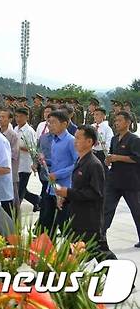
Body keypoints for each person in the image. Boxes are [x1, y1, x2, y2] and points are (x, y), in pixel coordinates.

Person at [55, 126, 116, 260]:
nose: (75, 141)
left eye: (78, 138)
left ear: (89, 142)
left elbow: (95, 193)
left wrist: (68, 192)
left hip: (89, 220)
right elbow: (80, 188)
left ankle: (123, 278)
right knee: (71, 254)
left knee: (101, 254)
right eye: (75, 137)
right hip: (78, 218)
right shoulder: (80, 160)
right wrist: (66, 198)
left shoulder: (94, 164)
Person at [37, 110, 78, 235]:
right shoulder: (54, 140)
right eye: (49, 122)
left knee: (64, 223)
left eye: (53, 123)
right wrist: (45, 161)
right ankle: (47, 250)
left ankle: (74, 251)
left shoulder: (71, 141)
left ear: (64, 124)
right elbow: (57, 162)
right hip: (52, 187)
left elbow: (77, 164)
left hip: (64, 187)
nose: (50, 125)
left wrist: (58, 174)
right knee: (47, 221)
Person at [103, 111, 140, 248]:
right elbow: (112, 156)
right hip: (114, 180)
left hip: (131, 181)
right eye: (115, 120)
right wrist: (109, 161)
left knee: (136, 211)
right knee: (106, 208)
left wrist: (118, 158)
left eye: (119, 120)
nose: (116, 123)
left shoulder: (134, 140)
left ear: (128, 123)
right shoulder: (114, 139)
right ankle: (100, 236)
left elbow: (137, 159)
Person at [14, 107, 41, 211]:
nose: (18, 119)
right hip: (16, 164)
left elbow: (33, 149)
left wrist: (19, 147)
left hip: (24, 165)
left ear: (26, 117)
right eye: (16, 116)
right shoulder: (15, 129)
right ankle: (36, 200)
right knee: (20, 189)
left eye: (21, 116)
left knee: (19, 191)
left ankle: (15, 212)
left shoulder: (29, 131)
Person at [0, 108, 20, 209]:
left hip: (10, 174)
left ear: (10, 120)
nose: (0, 119)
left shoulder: (13, 136)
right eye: (0, 116)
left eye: (3, 117)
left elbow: (14, 155)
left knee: (12, 202)